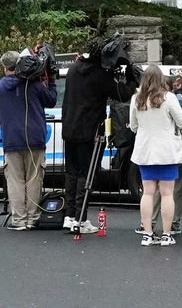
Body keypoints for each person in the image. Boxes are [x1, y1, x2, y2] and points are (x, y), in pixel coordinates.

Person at [61, 41, 131, 234]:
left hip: (69, 128)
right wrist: (129, 76)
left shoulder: (74, 69)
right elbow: (122, 94)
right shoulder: (100, 75)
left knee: (72, 172)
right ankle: (81, 219)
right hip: (89, 131)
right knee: (87, 174)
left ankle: (70, 216)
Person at [0, 50, 58, 231]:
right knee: (34, 178)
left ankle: (19, 220)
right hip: (35, 137)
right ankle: (32, 217)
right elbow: (51, 100)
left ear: (5, 67)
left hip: (11, 137)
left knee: (15, 180)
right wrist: (50, 81)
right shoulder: (33, 84)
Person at [130, 65, 182, 247]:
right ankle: (166, 234)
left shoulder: (136, 98)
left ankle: (147, 234)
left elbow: (133, 125)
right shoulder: (168, 97)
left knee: (147, 193)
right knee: (167, 194)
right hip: (166, 152)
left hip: (145, 151)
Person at [152, 70, 182, 236]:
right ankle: (173, 223)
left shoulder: (149, 99)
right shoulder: (179, 100)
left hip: (158, 148)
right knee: (178, 187)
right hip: (181, 148)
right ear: (173, 86)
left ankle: (149, 221)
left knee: (155, 186)